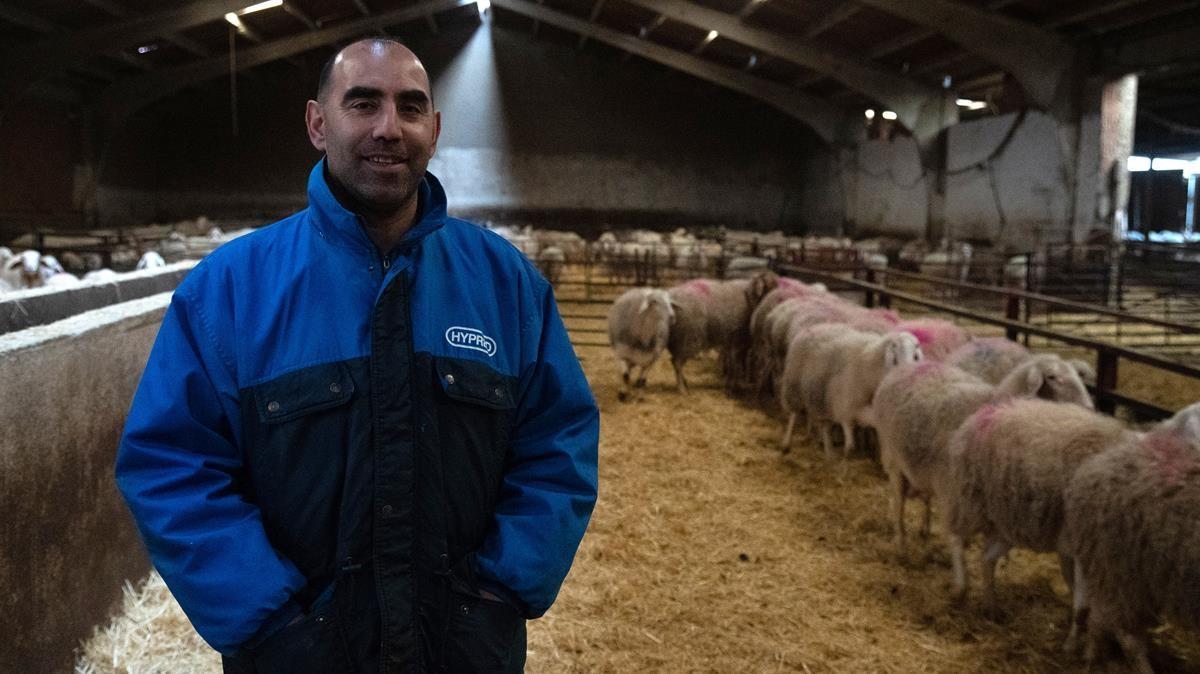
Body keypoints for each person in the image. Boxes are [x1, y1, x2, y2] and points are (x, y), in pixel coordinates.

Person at [115, 38, 599, 674]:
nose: (387, 128)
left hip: (463, 652)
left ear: (436, 127)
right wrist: (271, 622)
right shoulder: (230, 291)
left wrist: (499, 592)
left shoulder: (507, 287)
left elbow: (558, 447)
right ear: (318, 123)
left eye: (410, 107)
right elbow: (171, 464)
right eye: (363, 103)